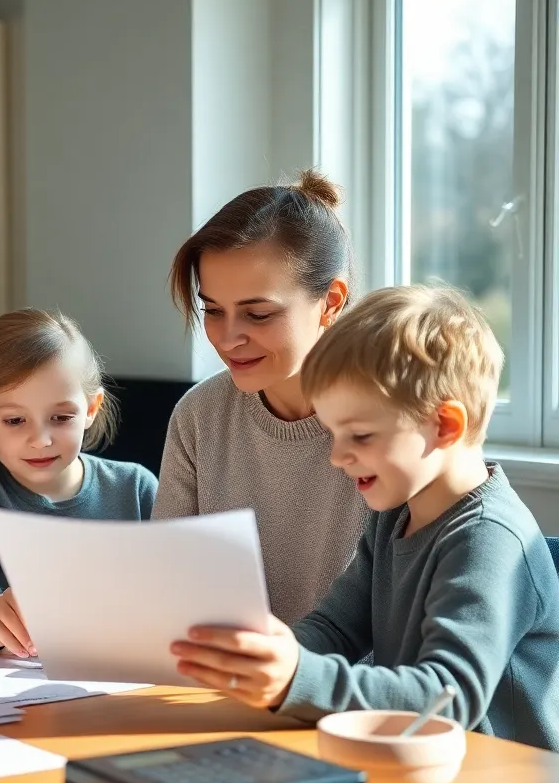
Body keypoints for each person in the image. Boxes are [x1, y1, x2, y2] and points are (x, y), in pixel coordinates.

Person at [171, 285, 559, 751]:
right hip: (420, 764)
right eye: (333, 433)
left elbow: (448, 699)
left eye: (359, 435)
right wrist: (271, 657)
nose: (337, 457)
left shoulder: (489, 541)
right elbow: (337, 628)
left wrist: (297, 676)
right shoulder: (393, 517)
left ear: (445, 426)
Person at [154, 170, 368, 625]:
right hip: (220, 685)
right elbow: (168, 587)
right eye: (212, 310)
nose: (227, 338)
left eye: (257, 313)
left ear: (330, 302)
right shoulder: (200, 415)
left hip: (352, 691)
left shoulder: (390, 424)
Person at [0, 309, 157, 654]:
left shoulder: (136, 487)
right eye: (15, 420)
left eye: (60, 417)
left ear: (91, 409)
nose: (40, 440)